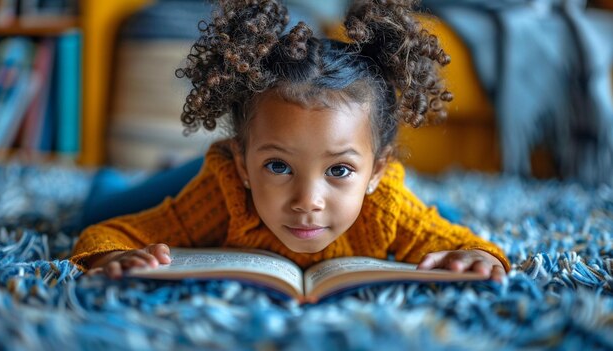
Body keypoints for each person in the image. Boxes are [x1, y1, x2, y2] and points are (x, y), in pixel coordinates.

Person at [70, 0, 510, 281]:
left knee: (438, 214)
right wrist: (109, 256)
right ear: (243, 165)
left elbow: (467, 244)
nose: (307, 201)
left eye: (339, 170)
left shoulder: (385, 205)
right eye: (279, 166)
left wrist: (475, 253)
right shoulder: (224, 188)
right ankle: (132, 176)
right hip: (198, 175)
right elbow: (109, 232)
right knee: (101, 206)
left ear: (376, 172)